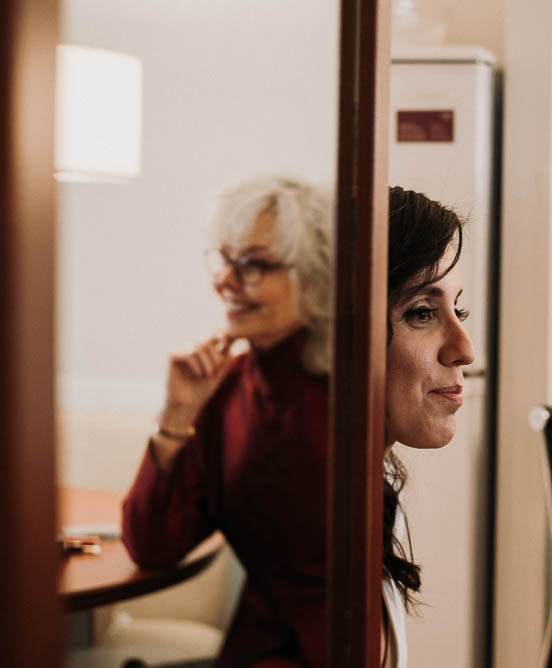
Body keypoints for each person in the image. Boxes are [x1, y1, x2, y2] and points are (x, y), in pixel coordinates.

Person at [121, 178, 474, 668]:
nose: (465, 350)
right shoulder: (251, 400)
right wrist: (176, 420)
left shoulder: (333, 429)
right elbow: (154, 542)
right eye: (421, 312)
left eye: (458, 309)